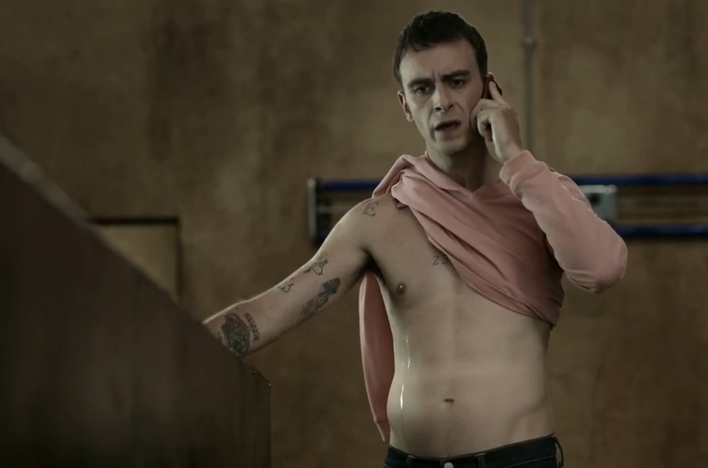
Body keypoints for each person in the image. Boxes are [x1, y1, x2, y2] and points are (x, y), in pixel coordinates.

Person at [202, 10, 627, 468]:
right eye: (423, 88)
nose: (441, 101)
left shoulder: (542, 197)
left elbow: (602, 270)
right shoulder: (378, 221)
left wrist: (516, 158)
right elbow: (270, 310)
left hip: (517, 460)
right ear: (406, 105)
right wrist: (167, 352)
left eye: (456, 81)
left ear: (489, 90)